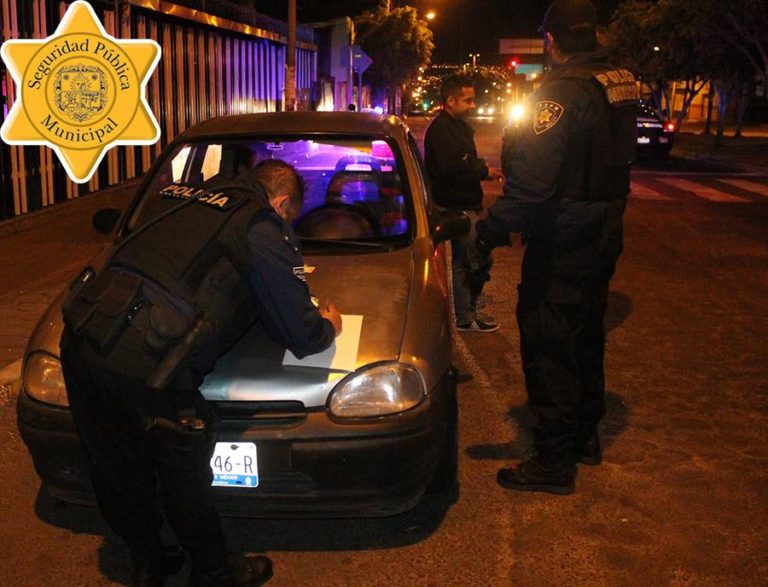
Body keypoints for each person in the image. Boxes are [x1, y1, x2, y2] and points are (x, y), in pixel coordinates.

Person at [60, 160, 342, 586]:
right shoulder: (258, 223)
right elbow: (299, 332)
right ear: (282, 203)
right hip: (150, 361)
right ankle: (214, 571)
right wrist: (327, 326)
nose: (287, 226)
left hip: (83, 339)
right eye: (289, 217)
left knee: (115, 465)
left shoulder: (179, 197)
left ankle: (148, 562)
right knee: (184, 475)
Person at [469, 0, 638, 494]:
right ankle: (584, 437)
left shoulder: (561, 91)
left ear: (551, 39)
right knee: (585, 336)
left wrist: (489, 232)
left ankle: (552, 462)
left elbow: (534, 187)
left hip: (563, 236)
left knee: (550, 344)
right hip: (602, 229)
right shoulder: (618, 81)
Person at [424, 74, 504, 332]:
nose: (473, 105)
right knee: (473, 259)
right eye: (468, 100)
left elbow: (463, 161)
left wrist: (477, 167)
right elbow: (453, 166)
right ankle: (466, 316)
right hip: (454, 205)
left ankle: (465, 315)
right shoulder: (442, 130)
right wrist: (481, 169)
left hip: (464, 202)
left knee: (469, 260)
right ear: (451, 101)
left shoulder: (455, 126)